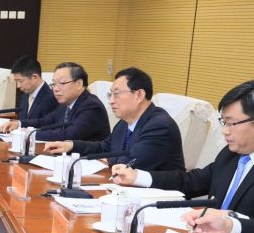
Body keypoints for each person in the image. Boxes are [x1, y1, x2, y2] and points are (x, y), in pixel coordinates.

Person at [113, 80, 254, 218]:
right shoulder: (230, 155)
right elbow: (189, 182)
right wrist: (137, 177)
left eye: (231, 123)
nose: (225, 131)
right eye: (224, 122)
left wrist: (232, 224)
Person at [42, 67, 185, 170]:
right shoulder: (124, 122)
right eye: (110, 95)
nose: (111, 101)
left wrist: (107, 159)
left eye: (117, 94)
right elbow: (104, 147)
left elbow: (132, 161)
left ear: (139, 95)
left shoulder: (159, 126)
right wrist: (71, 145)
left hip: (156, 197)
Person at [0, 62, 110, 142]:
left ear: (79, 84)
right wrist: (19, 124)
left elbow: (69, 134)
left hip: (89, 163)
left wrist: (29, 134)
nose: (55, 89)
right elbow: (47, 121)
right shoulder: (66, 103)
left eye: (61, 83)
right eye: (54, 84)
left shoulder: (92, 106)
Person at [0, 55, 57, 132]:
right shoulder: (25, 95)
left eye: (20, 81)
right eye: (16, 81)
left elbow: (46, 124)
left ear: (34, 77)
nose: (18, 86)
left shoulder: (51, 98)